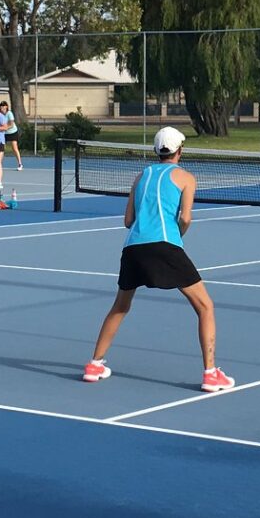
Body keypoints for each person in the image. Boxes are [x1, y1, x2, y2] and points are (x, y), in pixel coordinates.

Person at [82, 126, 233, 393]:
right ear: (180, 151)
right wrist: (178, 235)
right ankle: (211, 374)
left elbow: (128, 221)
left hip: (132, 249)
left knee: (120, 306)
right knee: (205, 307)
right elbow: (185, 218)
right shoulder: (186, 177)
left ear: (156, 151)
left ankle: (94, 365)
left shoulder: (140, 177)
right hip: (165, 246)